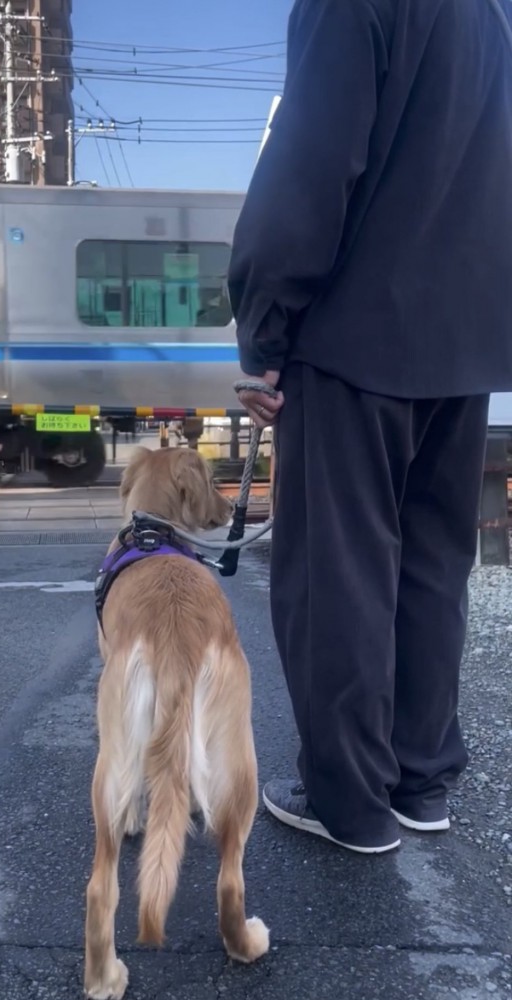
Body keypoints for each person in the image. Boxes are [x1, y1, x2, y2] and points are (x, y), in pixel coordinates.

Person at [228, 0, 512, 854]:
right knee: (433, 566)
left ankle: (346, 801)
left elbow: (312, 164)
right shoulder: (490, 15)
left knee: (338, 575)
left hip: (354, 340)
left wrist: (266, 330)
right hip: (463, 346)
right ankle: (421, 781)